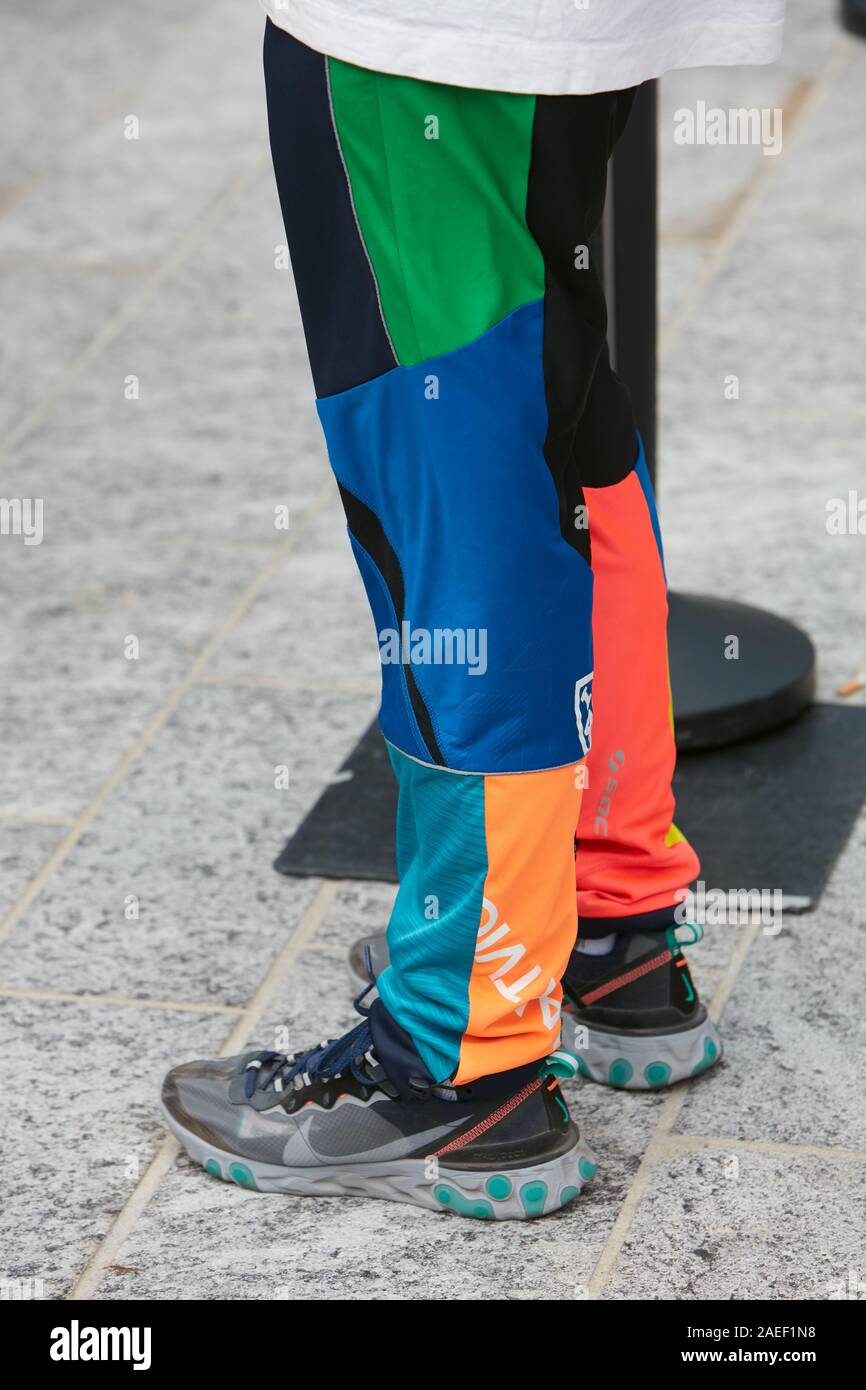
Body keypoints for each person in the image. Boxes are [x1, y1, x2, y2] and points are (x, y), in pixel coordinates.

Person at [162, 0, 786, 1221]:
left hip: (428, 25)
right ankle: (608, 921)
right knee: (549, 398)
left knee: (451, 467)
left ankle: (461, 1057)